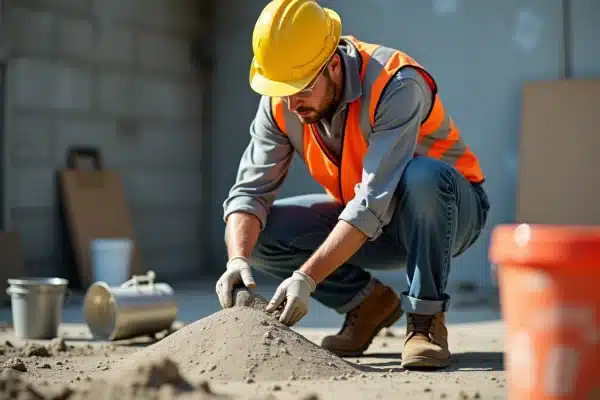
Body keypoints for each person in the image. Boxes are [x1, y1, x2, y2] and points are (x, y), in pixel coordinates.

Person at [216, 0, 490, 369]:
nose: (292, 103)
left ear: (332, 65)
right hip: (368, 221)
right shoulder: (281, 102)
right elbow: (249, 193)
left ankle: (425, 321)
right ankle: (367, 305)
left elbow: (373, 202)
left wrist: (306, 278)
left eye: (301, 88)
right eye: (283, 90)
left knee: (422, 176)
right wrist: (237, 259)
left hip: (446, 212)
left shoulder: (396, 81)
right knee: (262, 235)